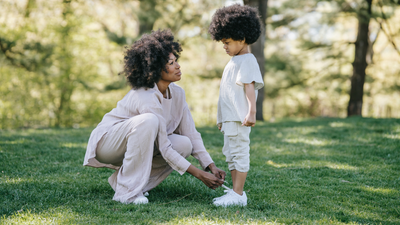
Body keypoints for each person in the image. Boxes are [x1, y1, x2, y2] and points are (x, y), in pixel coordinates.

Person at [83, 29, 226, 204]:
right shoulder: (146, 95)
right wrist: (199, 174)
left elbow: (191, 134)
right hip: (108, 144)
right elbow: (165, 148)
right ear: (155, 68)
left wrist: (209, 165)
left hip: (137, 140)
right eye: (171, 62)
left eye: (176, 61)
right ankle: (126, 193)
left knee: (184, 144)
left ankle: (130, 184)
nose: (178, 66)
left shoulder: (178, 94)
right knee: (149, 121)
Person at [208, 4, 264, 207]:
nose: (225, 46)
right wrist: (220, 118)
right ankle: (234, 192)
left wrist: (252, 112)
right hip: (230, 119)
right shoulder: (233, 61)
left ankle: (239, 195)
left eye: (227, 42)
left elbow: (249, 88)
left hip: (240, 118)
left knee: (240, 152)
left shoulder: (247, 60)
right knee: (230, 154)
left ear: (241, 38)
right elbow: (226, 94)